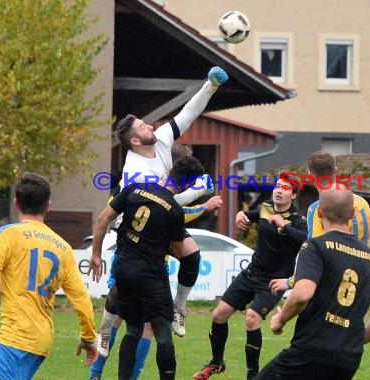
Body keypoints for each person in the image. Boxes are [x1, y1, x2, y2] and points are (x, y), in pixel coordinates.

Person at [94, 67, 228, 356]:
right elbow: (163, 202)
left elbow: (188, 114)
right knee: (122, 288)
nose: (150, 127)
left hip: (160, 221)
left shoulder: (161, 140)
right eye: (143, 127)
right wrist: (199, 192)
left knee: (192, 255)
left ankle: (179, 308)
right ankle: (103, 334)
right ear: (134, 141)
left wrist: (210, 86)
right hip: (134, 228)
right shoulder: (135, 172)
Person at [257, 186, 370, 380]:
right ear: (352, 214)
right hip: (348, 359)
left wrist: (280, 319)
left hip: (310, 352)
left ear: (320, 212)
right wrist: (356, 339)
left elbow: (302, 294)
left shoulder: (315, 246)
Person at [89, 156, 206, 380]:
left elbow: (104, 217)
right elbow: (180, 252)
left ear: (171, 171)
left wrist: (95, 254)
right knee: (163, 335)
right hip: (151, 277)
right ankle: (178, 310)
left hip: (123, 270)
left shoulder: (135, 189)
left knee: (132, 330)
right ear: (188, 185)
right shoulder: (173, 210)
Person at [0, 172, 98, 379]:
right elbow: (81, 298)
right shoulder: (63, 247)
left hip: (15, 336)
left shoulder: (9, 234)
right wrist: (88, 336)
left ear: (15, 204)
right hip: (42, 339)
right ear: (48, 205)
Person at [193, 176, 308, 380]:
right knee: (218, 315)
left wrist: (284, 225)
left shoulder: (298, 220)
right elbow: (249, 215)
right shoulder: (266, 208)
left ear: (294, 194)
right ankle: (216, 362)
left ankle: (252, 375)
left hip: (274, 282)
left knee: (252, 318)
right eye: (277, 186)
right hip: (252, 273)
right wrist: (240, 215)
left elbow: (306, 240)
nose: (279, 190)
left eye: (285, 188)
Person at [270, 151, 370, 293]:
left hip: (331, 285)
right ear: (336, 171)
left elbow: (314, 255)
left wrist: (291, 281)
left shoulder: (316, 210)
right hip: (359, 282)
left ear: (310, 176)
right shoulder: (362, 204)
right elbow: (364, 247)